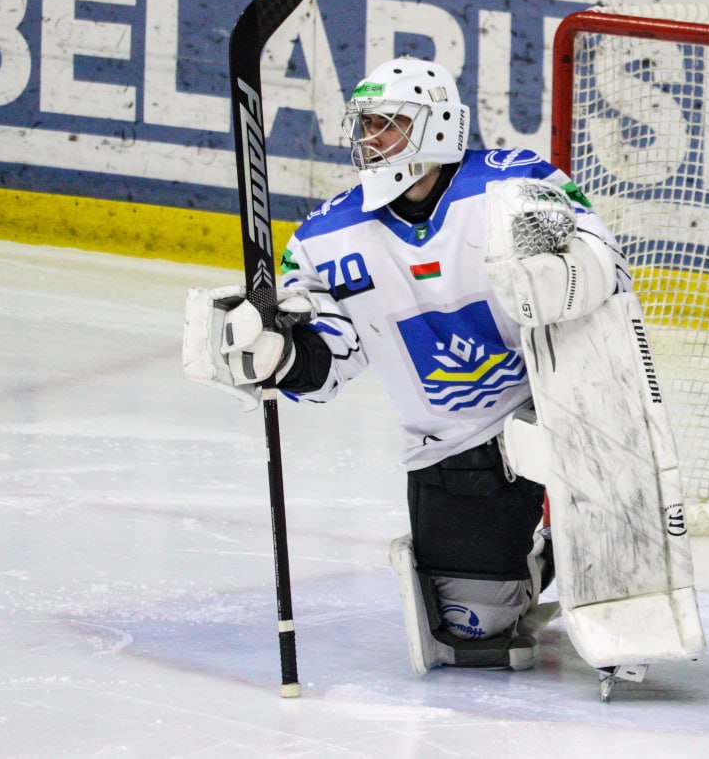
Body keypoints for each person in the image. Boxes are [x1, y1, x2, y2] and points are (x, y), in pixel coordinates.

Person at [183, 56, 630, 672]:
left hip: (564, 405)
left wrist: (560, 275)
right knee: (475, 632)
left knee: (622, 579)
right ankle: (537, 557)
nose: (369, 140)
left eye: (387, 124)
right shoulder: (325, 238)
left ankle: (590, 542)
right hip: (458, 441)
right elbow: (329, 361)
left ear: (438, 125)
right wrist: (280, 355)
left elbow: (608, 269)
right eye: (365, 125)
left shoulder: (513, 185)